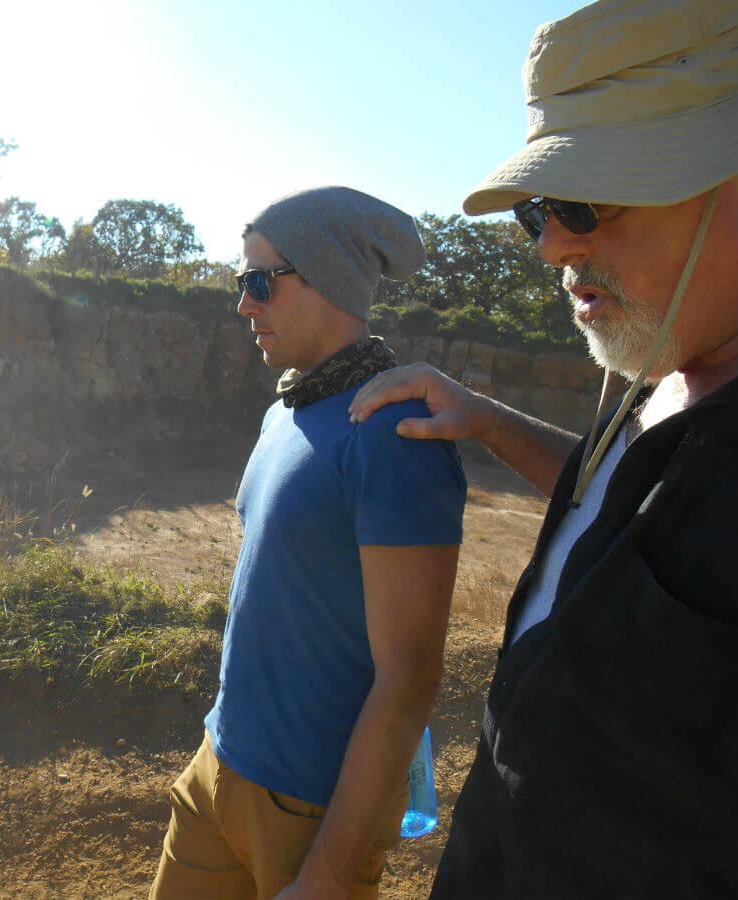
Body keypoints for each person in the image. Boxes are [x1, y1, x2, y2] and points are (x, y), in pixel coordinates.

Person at [348, 1, 738, 897]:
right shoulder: (666, 371)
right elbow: (632, 515)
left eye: (587, 199)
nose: (553, 245)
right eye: (537, 212)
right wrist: (483, 417)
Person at [149, 186, 467, 900]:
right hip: (218, 768)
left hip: (309, 811)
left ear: (327, 279)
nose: (242, 304)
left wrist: (325, 875)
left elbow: (411, 677)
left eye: (259, 281)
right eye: (241, 282)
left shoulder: (394, 436)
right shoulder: (286, 412)